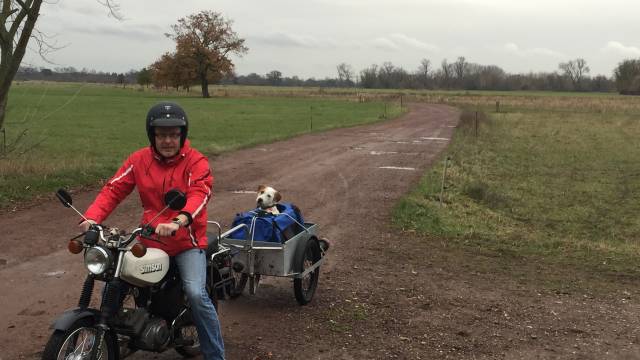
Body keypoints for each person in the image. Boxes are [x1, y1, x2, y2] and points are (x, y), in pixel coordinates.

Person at [79, 102, 224, 360]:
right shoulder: (138, 160)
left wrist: (179, 220)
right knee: (116, 279)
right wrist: (92, 217)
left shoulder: (196, 161)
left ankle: (215, 354)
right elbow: (114, 189)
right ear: (152, 136)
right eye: (161, 135)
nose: (167, 140)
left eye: (173, 134)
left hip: (186, 242)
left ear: (182, 134)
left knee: (195, 293)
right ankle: (113, 338)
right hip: (150, 238)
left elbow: (200, 194)